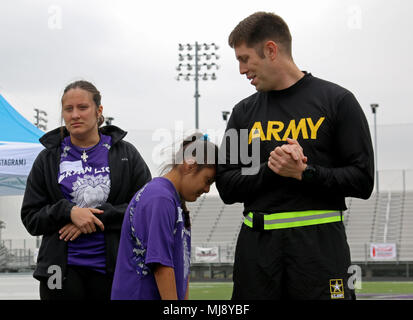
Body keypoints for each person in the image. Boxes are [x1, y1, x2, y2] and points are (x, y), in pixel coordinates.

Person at [216, 12, 374, 300]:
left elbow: (362, 180)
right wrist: (271, 169)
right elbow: (227, 185)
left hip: (322, 253)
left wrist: (304, 172)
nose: (241, 70)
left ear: (271, 50)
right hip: (258, 254)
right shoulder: (243, 113)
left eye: (244, 58)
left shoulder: (337, 101)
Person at [21, 80, 152, 300]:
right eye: (68, 109)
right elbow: (31, 217)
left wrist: (91, 219)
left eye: (82, 107)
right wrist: (68, 212)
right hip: (59, 273)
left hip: (113, 270)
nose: (75, 115)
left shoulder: (126, 154)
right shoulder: (47, 158)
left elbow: (145, 209)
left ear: (98, 111)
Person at [111, 133, 218, 300]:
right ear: (189, 165)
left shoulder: (172, 200)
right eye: (208, 180)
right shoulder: (160, 198)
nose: (207, 189)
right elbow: (161, 265)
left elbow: (183, 268)